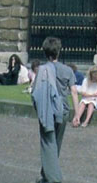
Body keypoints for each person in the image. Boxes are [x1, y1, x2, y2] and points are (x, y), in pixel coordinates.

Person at [31, 36, 78, 183]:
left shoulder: (42, 70)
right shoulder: (67, 70)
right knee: (55, 144)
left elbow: (35, 92)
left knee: (48, 144)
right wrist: (76, 113)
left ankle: (54, 178)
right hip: (63, 111)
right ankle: (46, 176)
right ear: (59, 52)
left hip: (48, 111)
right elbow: (74, 92)